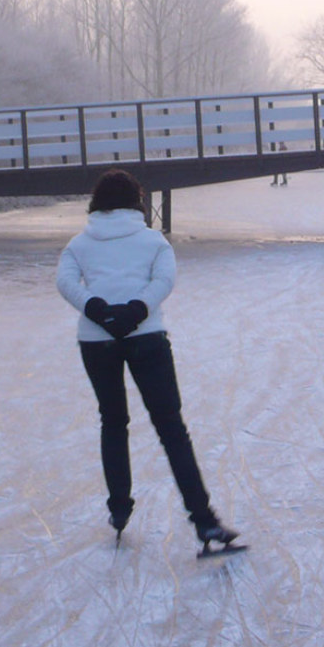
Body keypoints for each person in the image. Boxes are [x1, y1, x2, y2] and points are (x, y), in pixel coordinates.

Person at [56, 169, 239, 554]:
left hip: (96, 340)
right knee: (171, 428)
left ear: (97, 203)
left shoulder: (79, 243)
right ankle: (204, 521)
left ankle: (119, 509)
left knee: (113, 421)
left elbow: (66, 281)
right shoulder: (153, 241)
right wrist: (137, 309)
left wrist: (97, 309)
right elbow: (164, 280)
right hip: (147, 338)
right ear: (136, 201)